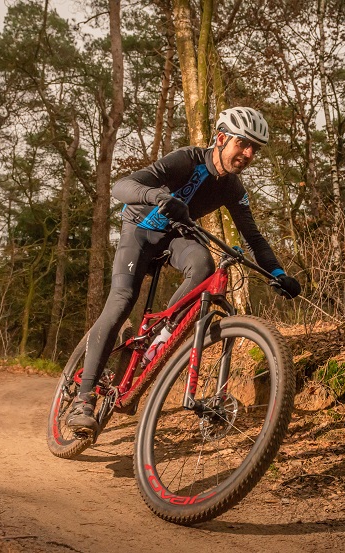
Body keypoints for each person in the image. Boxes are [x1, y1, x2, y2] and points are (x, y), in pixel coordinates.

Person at [66, 106, 302, 434]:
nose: (248, 154)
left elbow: (254, 238)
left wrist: (277, 274)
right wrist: (157, 196)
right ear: (220, 138)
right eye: (242, 144)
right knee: (122, 300)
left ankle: (157, 335)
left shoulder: (234, 189)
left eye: (255, 149)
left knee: (204, 264)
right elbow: (122, 186)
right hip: (140, 231)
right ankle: (84, 398)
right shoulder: (186, 160)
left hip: (177, 236)